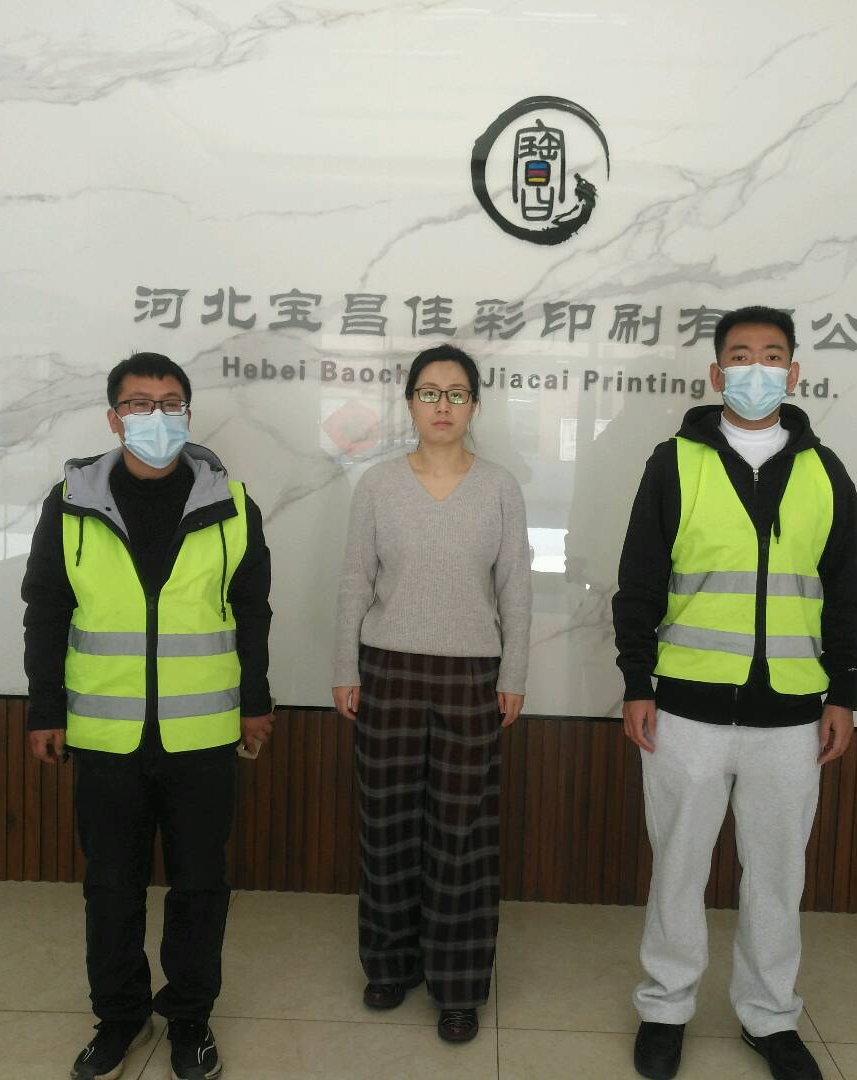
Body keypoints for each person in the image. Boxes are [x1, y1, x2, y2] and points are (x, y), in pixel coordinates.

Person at [613, 307, 857, 1080]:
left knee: (777, 876)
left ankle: (769, 1016)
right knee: (678, 868)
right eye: (742, 355)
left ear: (794, 372)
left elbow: (846, 593)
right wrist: (636, 682)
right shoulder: (674, 463)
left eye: (773, 355)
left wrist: (844, 693)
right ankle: (666, 1007)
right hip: (686, 708)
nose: (758, 369)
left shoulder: (826, 472)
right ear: (717, 372)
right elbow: (639, 581)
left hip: (791, 714)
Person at [22, 352, 275, 1080]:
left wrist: (255, 702)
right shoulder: (70, 503)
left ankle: (190, 1018)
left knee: (200, 886)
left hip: (203, 734)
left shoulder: (233, 504)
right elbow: (47, 609)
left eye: (170, 403)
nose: (155, 416)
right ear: (113, 418)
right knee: (111, 886)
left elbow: (252, 612)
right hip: (106, 733)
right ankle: (119, 1016)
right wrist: (45, 708)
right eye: (138, 403)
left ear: (188, 415)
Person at [331, 344, 532, 1044]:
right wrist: (345, 667)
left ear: (475, 405)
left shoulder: (500, 487)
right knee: (386, 826)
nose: (442, 406)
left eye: (456, 393)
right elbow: (355, 581)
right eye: (428, 392)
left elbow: (516, 588)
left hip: (472, 677)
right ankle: (389, 964)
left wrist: (513, 675)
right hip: (386, 670)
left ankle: (459, 984)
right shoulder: (378, 485)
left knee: (461, 835)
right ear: (410, 403)